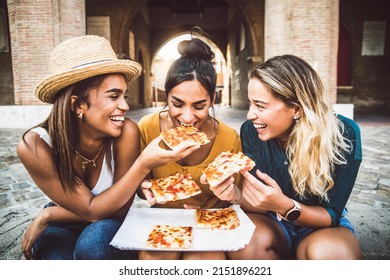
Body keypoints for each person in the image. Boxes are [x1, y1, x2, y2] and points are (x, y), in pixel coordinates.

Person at [17, 35, 199, 260]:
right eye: (114, 96)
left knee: (93, 245)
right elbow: (89, 209)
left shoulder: (127, 132)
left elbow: (119, 209)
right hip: (65, 219)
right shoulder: (34, 145)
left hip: (106, 220)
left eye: (124, 95)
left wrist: (47, 214)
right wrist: (52, 216)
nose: (125, 105)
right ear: (77, 104)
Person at [207, 54, 362, 259]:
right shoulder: (250, 132)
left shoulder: (343, 133)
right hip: (272, 222)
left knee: (329, 254)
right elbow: (259, 206)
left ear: (296, 109)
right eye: (250, 104)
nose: (250, 115)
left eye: (260, 106)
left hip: (321, 226)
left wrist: (284, 205)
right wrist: (234, 195)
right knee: (244, 243)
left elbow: (332, 215)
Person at [137, 33, 242, 260]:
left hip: (210, 223)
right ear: (167, 96)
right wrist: (145, 190)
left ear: (213, 100)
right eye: (177, 104)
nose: (186, 116)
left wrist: (217, 204)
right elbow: (140, 186)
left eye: (199, 106)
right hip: (164, 223)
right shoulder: (148, 127)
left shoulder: (229, 138)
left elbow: (233, 196)